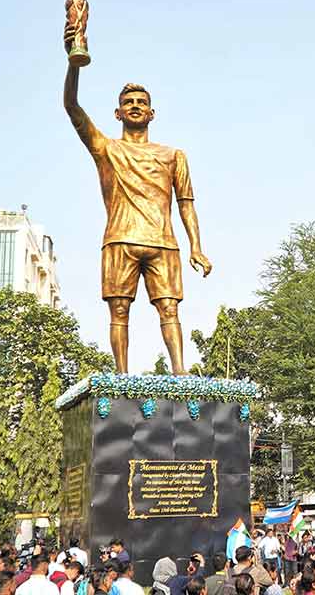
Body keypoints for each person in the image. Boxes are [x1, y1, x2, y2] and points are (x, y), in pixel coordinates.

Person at [62, 29, 213, 377]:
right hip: (120, 239)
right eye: (128, 102)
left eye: (141, 102)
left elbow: (186, 203)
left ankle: (180, 372)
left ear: (151, 112)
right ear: (117, 113)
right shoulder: (106, 149)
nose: (134, 106)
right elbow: (71, 107)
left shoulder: (173, 155)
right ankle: (121, 376)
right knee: (119, 311)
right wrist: (74, 63)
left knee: (170, 309)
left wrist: (197, 247)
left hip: (163, 242)